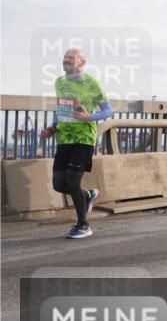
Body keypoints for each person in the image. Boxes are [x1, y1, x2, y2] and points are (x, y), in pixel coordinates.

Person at [40, 47, 113, 238]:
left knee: (72, 181)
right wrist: (53, 127)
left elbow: (108, 111)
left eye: (71, 58)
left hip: (84, 138)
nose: (66, 60)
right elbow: (61, 108)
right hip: (64, 138)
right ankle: (87, 195)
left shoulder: (92, 84)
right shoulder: (59, 82)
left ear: (82, 63)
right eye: (65, 57)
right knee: (58, 184)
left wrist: (91, 116)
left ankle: (83, 225)